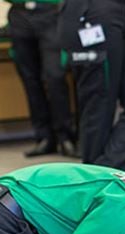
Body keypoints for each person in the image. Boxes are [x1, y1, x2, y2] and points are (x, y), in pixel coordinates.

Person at [57, 0, 125, 172]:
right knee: (99, 111)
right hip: (88, 15)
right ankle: (96, 183)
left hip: (118, 13)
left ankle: (100, 178)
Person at [5, 0, 77, 157]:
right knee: (30, 80)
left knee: (55, 77)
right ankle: (44, 137)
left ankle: (65, 137)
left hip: (50, 14)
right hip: (19, 15)